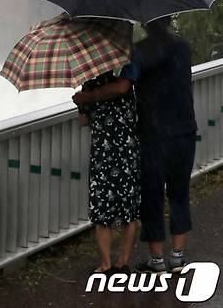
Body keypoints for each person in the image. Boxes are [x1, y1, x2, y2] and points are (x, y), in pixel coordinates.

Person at [73, 16, 196, 274]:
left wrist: (89, 96)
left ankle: (157, 260)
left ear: (147, 24)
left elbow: (122, 86)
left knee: (152, 196)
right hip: (184, 129)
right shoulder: (183, 48)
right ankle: (178, 257)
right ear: (170, 20)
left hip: (153, 134)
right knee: (179, 193)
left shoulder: (140, 52)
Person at [75, 70, 141, 275]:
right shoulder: (126, 80)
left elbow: (83, 121)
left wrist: (81, 102)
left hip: (103, 157)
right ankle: (123, 261)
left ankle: (105, 263)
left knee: (102, 210)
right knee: (129, 210)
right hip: (127, 153)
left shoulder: (89, 87)